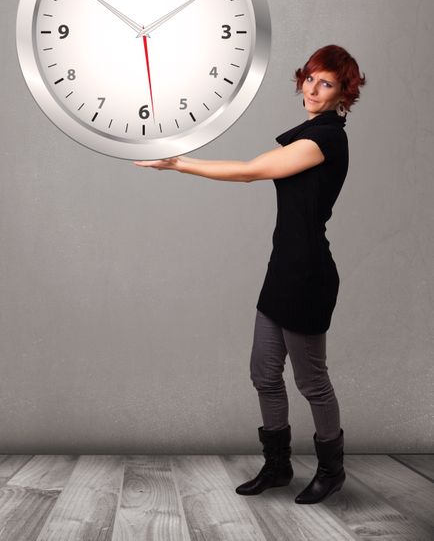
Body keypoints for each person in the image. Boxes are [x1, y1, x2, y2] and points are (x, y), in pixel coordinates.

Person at [133, 44, 367, 505]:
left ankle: (331, 470)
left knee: (311, 381)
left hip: (308, 276)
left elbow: (248, 172)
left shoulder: (326, 139)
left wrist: (179, 163)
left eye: (327, 83)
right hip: (282, 268)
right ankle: (277, 466)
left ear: (344, 94)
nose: (313, 89)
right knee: (263, 373)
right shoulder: (310, 133)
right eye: (310, 78)